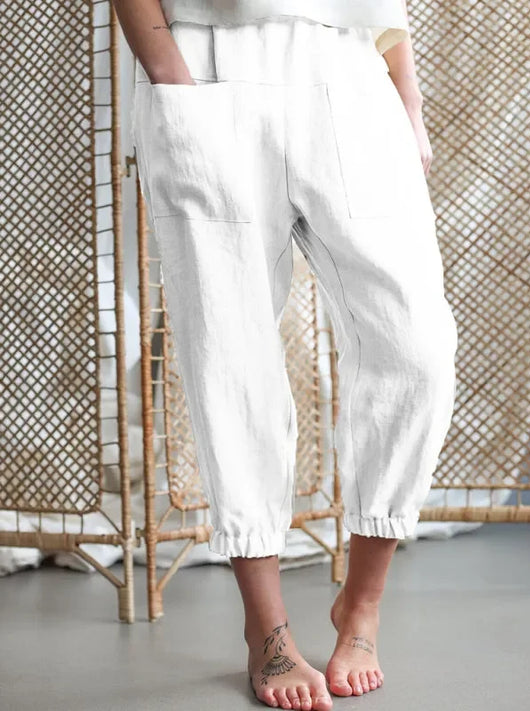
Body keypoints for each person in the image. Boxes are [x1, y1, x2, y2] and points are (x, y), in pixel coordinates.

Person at [114, 1, 458, 709]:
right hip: (206, 61)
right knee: (230, 356)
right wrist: (168, 71)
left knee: (417, 345)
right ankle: (266, 631)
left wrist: (406, 92)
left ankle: (361, 603)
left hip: (349, 61)